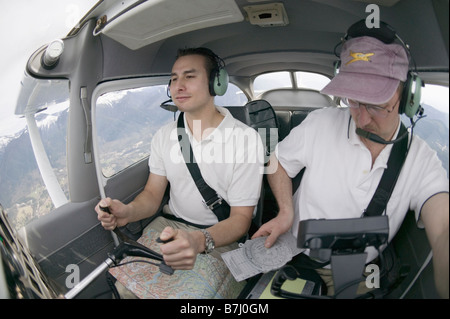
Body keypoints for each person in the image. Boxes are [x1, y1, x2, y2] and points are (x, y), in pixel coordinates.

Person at [252, 24, 449, 298]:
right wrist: (285, 211)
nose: (363, 119)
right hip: (293, 254)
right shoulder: (321, 123)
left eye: (378, 105)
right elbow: (279, 161)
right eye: (354, 101)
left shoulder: (421, 160)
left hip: (358, 272)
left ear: (407, 98)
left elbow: (443, 228)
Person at [96, 47, 264, 298]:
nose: (178, 86)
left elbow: (241, 220)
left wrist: (198, 240)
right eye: (174, 78)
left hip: (221, 234)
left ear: (216, 83)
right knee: (125, 287)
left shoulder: (245, 140)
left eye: (189, 76)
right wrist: (128, 212)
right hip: (168, 224)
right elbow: (153, 194)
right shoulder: (165, 135)